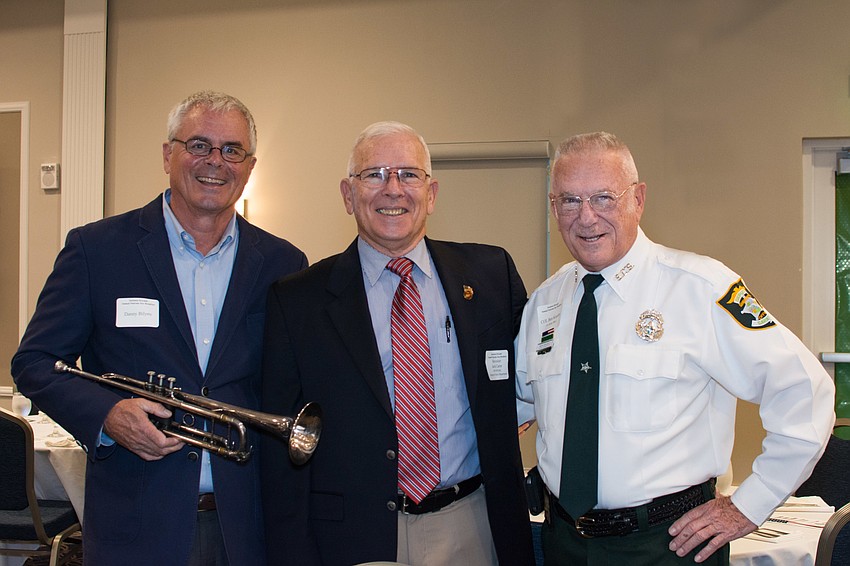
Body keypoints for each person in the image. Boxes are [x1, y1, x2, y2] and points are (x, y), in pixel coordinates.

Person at [11, 91, 307, 566]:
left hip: (248, 530)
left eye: (232, 150)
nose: (216, 162)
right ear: (168, 154)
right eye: (199, 145)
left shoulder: (283, 263)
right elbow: (34, 363)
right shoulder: (97, 250)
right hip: (136, 526)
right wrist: (107, 416)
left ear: (249, 166)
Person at [515, 131, 835, 565]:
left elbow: (805, 391)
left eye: (604, 198)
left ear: (638, 199)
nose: (586, 217)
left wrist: (748, 505)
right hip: (562, 543)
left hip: (668, 546)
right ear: (554, 207)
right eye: (570, 201)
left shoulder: (701, 288)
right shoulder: (544, 304)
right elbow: (518, 405)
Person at [260, 121, 535, 566]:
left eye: (409, 174)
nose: (393, 189)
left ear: (432, 193)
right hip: (354, 537)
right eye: (374, 174)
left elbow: (540, 366)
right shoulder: (297, 300)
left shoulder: (490, 274)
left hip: (474, 525)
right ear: (348, 195)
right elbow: (282, 445)